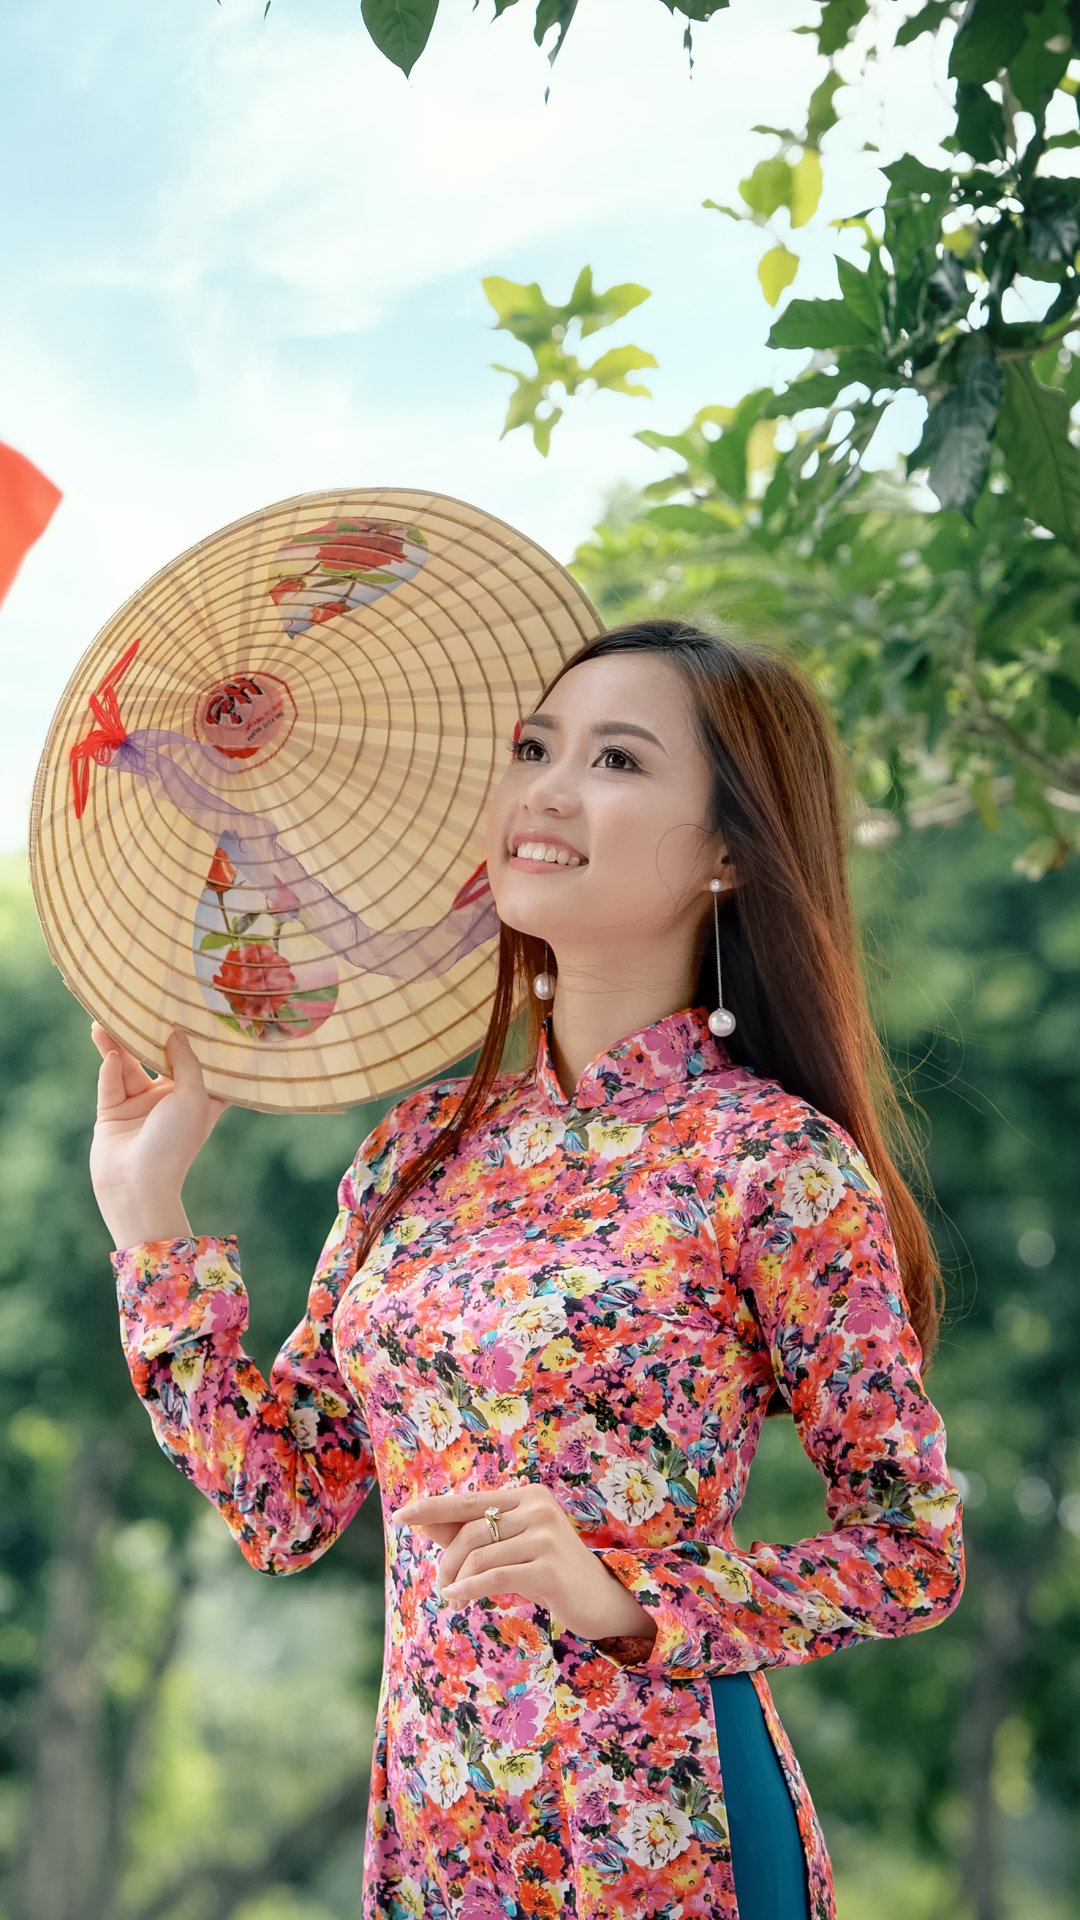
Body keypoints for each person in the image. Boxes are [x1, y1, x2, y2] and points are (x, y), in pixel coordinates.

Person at [90, 618, 966, 1920]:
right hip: (437, 1835)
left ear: (728, 848)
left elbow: (912, 1550)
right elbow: (284, 1504)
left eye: (615, 760)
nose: (547, 789)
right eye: (533, 748)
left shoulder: (775, 1167)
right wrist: (145, 1208)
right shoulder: (415, 1153)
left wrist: (631, 1593)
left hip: (665, 1833)